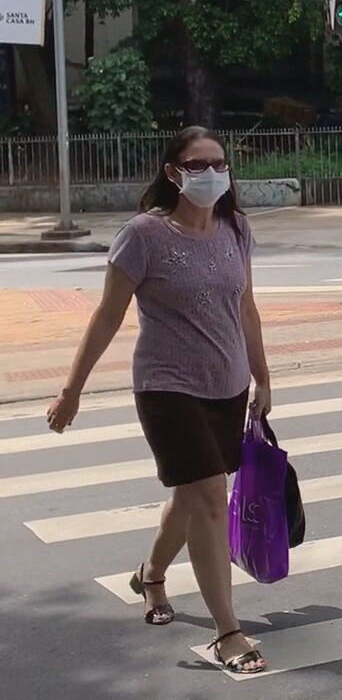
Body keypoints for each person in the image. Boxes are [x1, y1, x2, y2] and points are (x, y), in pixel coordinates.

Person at [44, 128, 273, 675]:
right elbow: (106, 316)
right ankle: (228, 632)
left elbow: (247, 308)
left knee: (191, 498)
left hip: (227, 383)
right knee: (211, 498)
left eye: (220, 164)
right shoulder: (143, 235)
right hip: (167, 387)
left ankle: (149, 573)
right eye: (199, 165)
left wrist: (263, 378)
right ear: (173, 172)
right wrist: (71, 390)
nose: (213, 174)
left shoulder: (235, 228)